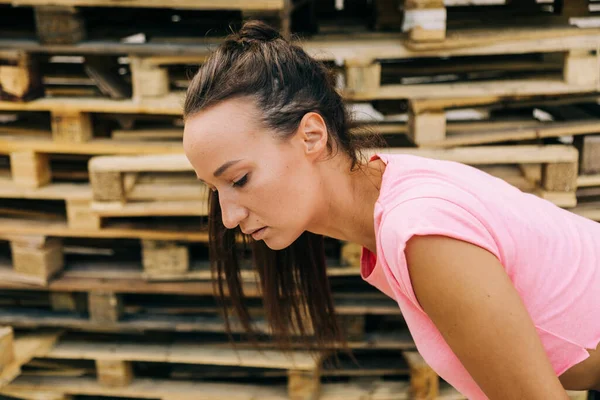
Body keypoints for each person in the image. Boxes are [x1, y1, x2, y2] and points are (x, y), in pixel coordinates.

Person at [182, 20, 600, 399]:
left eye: (238, 180)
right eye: (214, 189)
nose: (229, 217)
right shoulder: (392, 193)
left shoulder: (422, 231)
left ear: (311, 135)